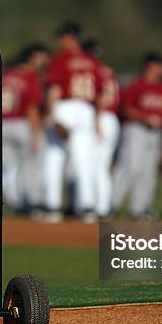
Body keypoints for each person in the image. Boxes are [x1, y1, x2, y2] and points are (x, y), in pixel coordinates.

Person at [42, 22, 103, 223]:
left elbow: (55, 88)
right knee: (84, 160)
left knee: (55, 157)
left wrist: (51, 113)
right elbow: (101, 93)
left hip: (65, 107)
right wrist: (97, 119)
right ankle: (87, 208)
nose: (60, 41)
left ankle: (52, 207)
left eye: (62, 37)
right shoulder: (92, 61)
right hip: (86, 109)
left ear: (70, 37)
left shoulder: (61, 59)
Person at [112, 52, 162, 220]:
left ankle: (140, 208)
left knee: (148, 172)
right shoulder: (136, 85)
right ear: (149, 66)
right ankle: (112, 204)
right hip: (136, 129)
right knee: (130, 167)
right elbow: (126, 109)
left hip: (155, 133)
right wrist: (145, 118)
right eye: (158, 65)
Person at [2, 43, 50, 213]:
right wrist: (36, 133)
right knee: (30, 165)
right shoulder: (30, 77)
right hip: (22, 124)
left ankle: (5, 201)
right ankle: (31, 201)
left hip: (3, 125)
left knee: (6, 166)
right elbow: (32, 108)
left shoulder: (5, 75)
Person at [82, 39, 121, 218]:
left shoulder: (92, 69)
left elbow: (101, 96)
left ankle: (96, 208)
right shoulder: (109, 70)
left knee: (93, 166)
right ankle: (104, 207)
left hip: (101, 117)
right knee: (102, 167)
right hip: (112, 118)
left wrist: (97, 119)